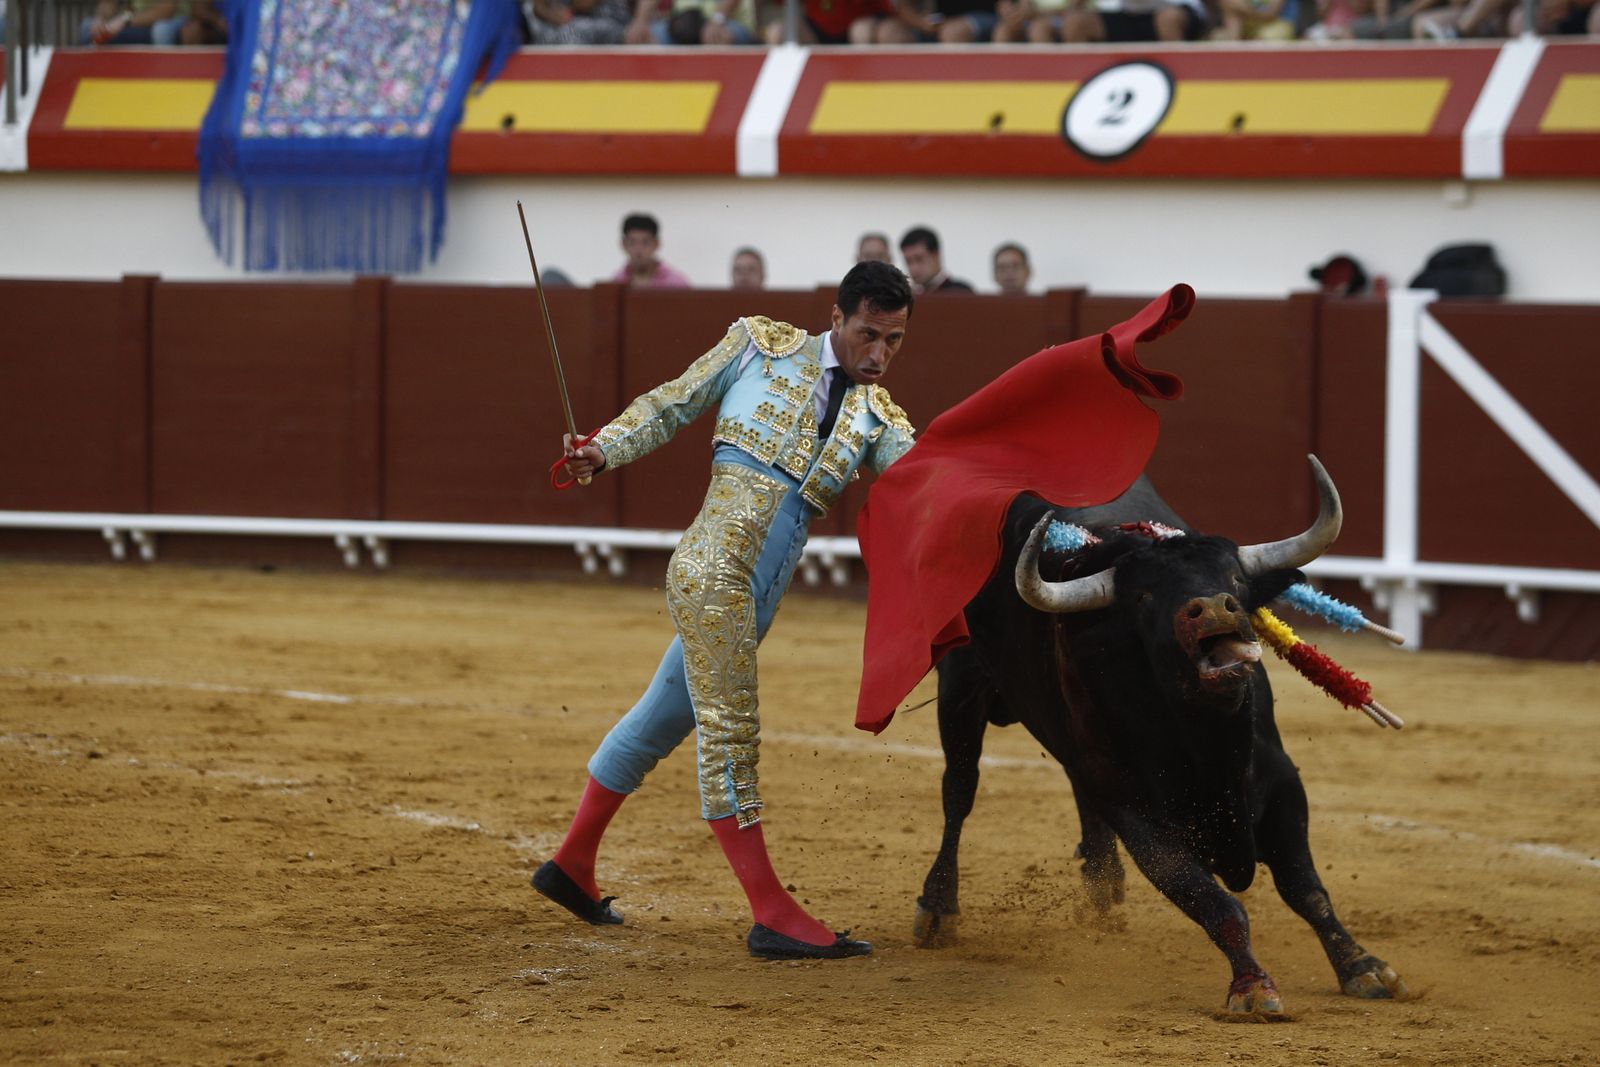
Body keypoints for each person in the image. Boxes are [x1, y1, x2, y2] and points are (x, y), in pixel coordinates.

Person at [536, 261, 919, 960]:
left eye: (893, 340)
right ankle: (771, 909)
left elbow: (925, 484)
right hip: (714, 570)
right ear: (836, 318)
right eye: (869, 333)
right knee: (731, 731)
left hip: (758, 597)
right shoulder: (758, 343)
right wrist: (601, 449)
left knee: (659, 717)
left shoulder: (878, 416)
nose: (879, 353)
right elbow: (671, 403)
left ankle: (571, 864)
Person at [610, 213, 692, 289]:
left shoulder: (676, 284)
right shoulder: (616, 282)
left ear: (656, 244)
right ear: (624, 244)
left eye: (645, 242)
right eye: (632, 242)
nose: (638, 249)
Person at [900, 226, 973, 294]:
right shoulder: (911, 297)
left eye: (919, 259)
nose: (913, 268)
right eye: (908, 261)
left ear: (936, 255)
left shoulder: (960, 293)